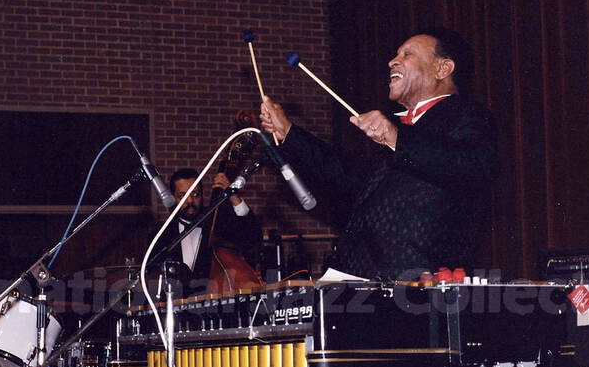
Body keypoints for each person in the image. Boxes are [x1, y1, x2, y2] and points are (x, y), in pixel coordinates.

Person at [260, 27, 499, 280]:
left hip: (418, 286)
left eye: (407, 54)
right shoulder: (402, 129)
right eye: (396, 54)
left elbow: (474, 167)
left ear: (443, 69)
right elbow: (347, 176)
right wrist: (288, 133)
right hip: (360, 281)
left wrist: (396, 138)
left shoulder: (467, 115)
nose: (392, 61)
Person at [152, 167, 261, 295]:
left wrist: (234, 197)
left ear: (203, 194)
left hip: (218, 302)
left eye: (195, 194)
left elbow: (253, 237)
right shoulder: (161, 236)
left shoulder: (218, 223)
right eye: (182, 196)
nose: (190, 201)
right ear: (173, 198)